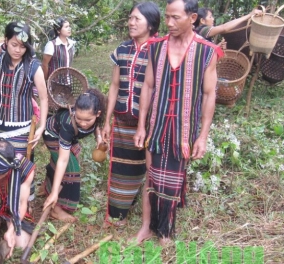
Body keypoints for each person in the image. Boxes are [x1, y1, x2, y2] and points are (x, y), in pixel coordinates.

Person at [133, 0, 223, 245]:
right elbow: (148, 86)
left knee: (173, 179)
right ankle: (146, 227)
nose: (169, 23)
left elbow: (208, 95)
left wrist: (202, 136)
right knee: (152, 176)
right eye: (167, 17)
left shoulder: (207, 51)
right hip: (157, 125)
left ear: (192, 18)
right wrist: (142, 125)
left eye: (176, 17)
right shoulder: (156, 47)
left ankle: (165, 230)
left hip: (184, 130)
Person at [101, 1, 161, 227]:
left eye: (137, 19)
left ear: (151, 23)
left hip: (148, 122)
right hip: (122, 121)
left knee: (142, 167)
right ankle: (118, 216)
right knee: (120, 168)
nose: (131, 22)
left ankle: (144, 212)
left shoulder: (160, 50)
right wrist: (106, 121)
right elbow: (115, 85)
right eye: (130, 18)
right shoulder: (122, 50)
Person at [0, 21, 48, 155]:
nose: (18, 50)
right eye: (14, 45)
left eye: (22, 46)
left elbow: (43, 98)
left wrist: (42, 126)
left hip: (22, 125)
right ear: (6, 40)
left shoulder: (34, 67)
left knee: (19, 165)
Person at [41, 89, 106, 222]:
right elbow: (63, 160)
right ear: (73, 111)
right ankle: (56, 209)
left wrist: (99, 138)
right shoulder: (68, 123)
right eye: (79, 118)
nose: (83, 123)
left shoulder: (98, 115)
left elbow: (97, 126)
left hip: (70, 136)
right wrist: (55, 193)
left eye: (88, 120)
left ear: (98, 114)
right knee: (71, 169)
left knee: (67, 163)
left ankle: (46, 187)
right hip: (52, 134)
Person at [193, 7, 262, 46]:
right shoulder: (203, 30)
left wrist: (217, 46)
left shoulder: (199, 32)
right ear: (202, 20)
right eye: (210, 17)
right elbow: (224, 27)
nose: (213, 19)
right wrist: (249, 15)